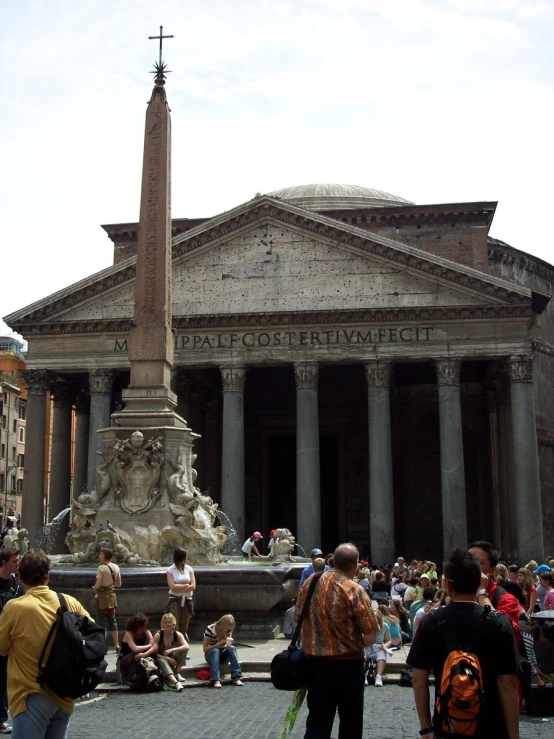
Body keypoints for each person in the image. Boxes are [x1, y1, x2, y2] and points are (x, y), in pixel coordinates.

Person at [408, 548, 520, 739]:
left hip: (448, 725)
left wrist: (426, 728)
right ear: (480, 583)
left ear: (447, 585)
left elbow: (419, 679)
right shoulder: (499, 623)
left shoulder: (431, 621)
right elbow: (507, 684)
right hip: (490, 727)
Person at [0, 548, 92, 738]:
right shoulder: (68, 602)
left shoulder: (15, 608)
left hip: (30, 695)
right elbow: (95, 635)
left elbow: (1, 649)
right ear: (47, 576)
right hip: (64, 697)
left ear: (21, 578)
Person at [295, 542, 378, 739]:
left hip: (315, 663)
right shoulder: (354, 589)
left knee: (317, 723)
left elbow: (296, 617)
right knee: (350, 723)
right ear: (355, 565)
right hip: (347, 666)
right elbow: (371, 635)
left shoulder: (310, 583)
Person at [468, 541, 522, 642]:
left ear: (492, 570)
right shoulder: (457, 594)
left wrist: (482, 593)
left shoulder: (506, 599)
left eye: (479, 562)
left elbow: (501, 631)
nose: (470, 566)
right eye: (467, 560)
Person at [0, 548, 24, 734]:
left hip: (9, 637)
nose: (17, 564)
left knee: (4, 679)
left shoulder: (16, 583)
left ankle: (1, 717)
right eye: (14, 561)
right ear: (4, 562)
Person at [91, 546, 121, 652]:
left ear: (105, 556)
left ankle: (103, 645)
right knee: (113, 621)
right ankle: (117, 645)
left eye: (101, 554)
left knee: (101, 623)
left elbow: (98, 584)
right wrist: (110, 587)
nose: (99, 555)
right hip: (112, 597)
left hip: (101, 598)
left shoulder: (101, 568)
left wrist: (94, 588)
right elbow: (119, 583)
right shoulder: (116, 567)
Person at [202, 614, 243, 688]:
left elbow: (227, 646)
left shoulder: (228, 630)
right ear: (222, 624)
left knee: (232, 648)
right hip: (211, 654)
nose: (228, 629)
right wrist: (217, 645)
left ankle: (236, 676)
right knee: (215, 651)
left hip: (222, 653)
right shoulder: (210, 628)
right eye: (227, 627)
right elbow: (205, 649)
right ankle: (215, 679)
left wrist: (228, 644)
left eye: (230, 627)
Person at [117, 614, 157, 688]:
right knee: (136, 655)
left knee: (152, 653)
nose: (146, 627)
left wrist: (145, 654)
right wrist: (148, 645)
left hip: (140, 655)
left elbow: (154, 646)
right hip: (127, 658)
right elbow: (135, 648)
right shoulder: (129, 634)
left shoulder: (146, 632)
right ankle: (131, 677)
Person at [153, 613, 188, 691]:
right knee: (162, 661)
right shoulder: (159, 635)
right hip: (160, 659)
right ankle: (176, 683)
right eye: (165, 622)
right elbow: (153, 653)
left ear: (173, 624)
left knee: (184, 650)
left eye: (169, 622)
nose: (168, 624)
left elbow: (187, 646)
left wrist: (172, 650)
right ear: (163, 624)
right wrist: (167, 658)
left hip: (173, 659)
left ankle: (176, 672)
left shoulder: (177, 634)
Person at [166, 548, 195, 639]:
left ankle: (183, 648)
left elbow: (193, 586)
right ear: (181, 558)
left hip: (187, 600)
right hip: (175, 600)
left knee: (184, 626)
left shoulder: (189, 569)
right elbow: (172, 587)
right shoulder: (171, 570)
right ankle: (174, 646)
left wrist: (179, 587)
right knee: (174, 624)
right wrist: (186, 585)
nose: (186, 558)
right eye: (185, 557)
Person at [364, 608, 391, 687]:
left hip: (378, 646)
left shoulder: (385, 626)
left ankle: (379, 676)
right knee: (362, 654)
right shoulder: (366, 625)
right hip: (368, 646)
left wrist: (385, 646)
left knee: (382, 655)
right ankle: (364, 675)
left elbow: (389, 641)